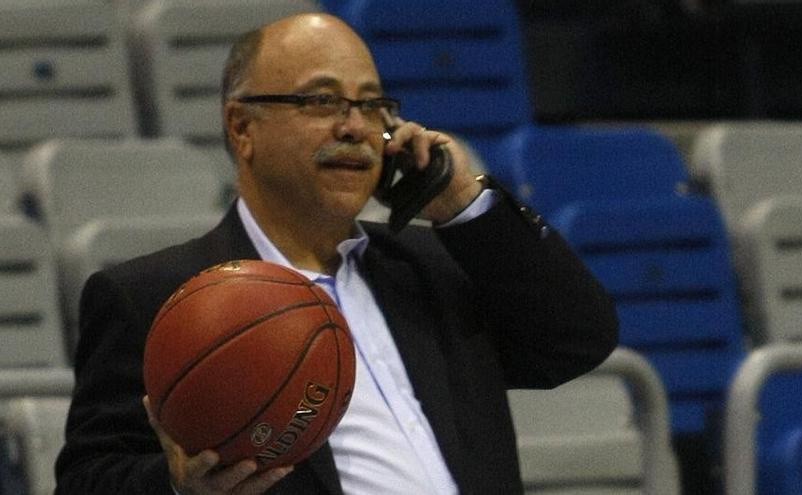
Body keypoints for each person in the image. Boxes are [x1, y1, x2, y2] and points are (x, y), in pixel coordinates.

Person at [55, 12, 618, 495]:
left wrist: (463, 203)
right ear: (242, 126)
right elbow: (87, 479)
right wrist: (177, 485)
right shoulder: (156, 297)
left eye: (372, 106)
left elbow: (575, 340)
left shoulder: (437, 266)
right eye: (322, 100)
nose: (354, 128)